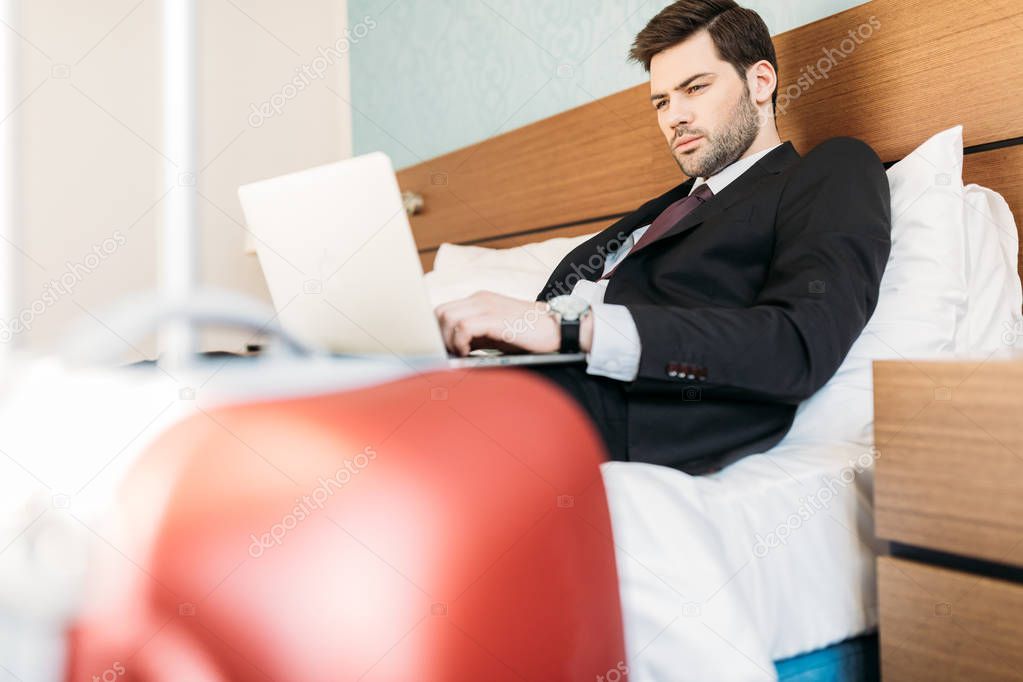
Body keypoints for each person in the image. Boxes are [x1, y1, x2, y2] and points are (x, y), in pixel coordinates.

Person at [434, 0, 891, 474]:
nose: (674, 116)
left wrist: (570, 327)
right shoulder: (662, 210)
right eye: (662, 101)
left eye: (695, 88)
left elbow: (799, 344)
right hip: (530, 378)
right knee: (372, 383)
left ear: (760, 82)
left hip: (639, 404)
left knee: (399, 420)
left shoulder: (830, 169)